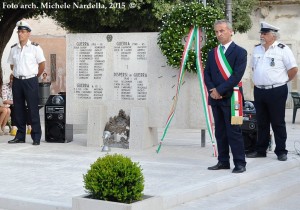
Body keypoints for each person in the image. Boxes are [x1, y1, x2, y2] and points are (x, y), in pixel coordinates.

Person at [246, 22, 298, 161]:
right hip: (259, 90)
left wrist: (282, 81)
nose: (261, 36)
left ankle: (281, 151)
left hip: (276, 90)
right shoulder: (257, 49)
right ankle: (261, 150)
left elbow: (293, 69)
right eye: (261, 33)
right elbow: (253, 69)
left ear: (273, 35)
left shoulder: (283, 49)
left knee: (277, 122)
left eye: (265, 33)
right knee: (262, 122)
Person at [204, 19, 247, 173]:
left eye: (222, 31)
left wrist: (219, 90)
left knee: (234, 131)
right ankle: (223, 161)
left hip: (232, 98)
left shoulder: (240, 52)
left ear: (230, 31)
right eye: (216, 32)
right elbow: (207, 73)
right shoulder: (212, 53)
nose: (219, 34)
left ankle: (240, 163)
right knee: (220, 131)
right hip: (215, 98)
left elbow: (236, 76)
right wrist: (212, 90)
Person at [7, 20, 46, 145]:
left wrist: (34, 76)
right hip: (17, 81)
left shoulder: (35, 48)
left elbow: (42, 64)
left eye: (23, 32)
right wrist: (18, 74)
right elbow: (12, 66)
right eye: (19, 32)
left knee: (33, 109)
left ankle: (36, 137)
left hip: (31, 80)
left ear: (28, 33)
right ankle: (20, 136)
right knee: (18, 109)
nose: (20, 34)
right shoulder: (14, 49)